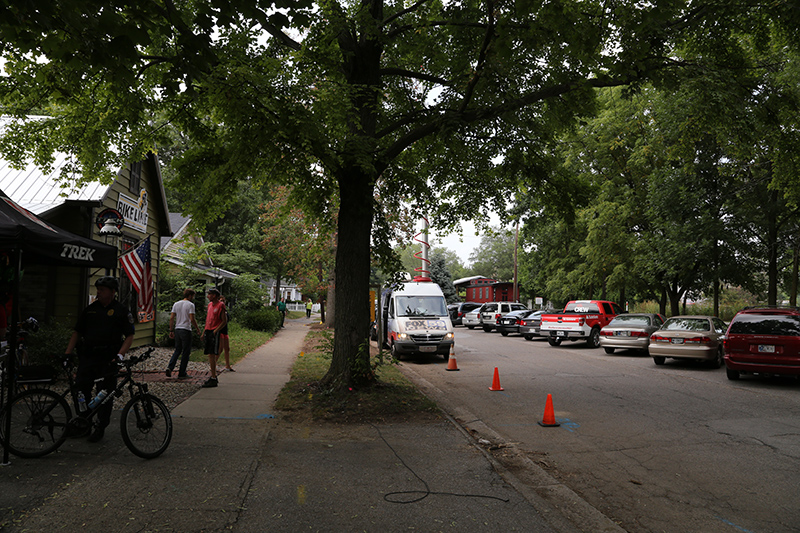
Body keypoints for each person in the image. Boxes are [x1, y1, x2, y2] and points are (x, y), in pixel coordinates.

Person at [65, 276, 135, 443]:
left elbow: (129, 335)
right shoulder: (90, 310)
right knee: (81, 391)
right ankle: (84, 422)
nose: (98, 293)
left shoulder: (121, 311)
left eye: (102, 290)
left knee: (104, 394)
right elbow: (77, 332)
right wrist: (68, 354)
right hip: (88, 357)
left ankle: (100, 426)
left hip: (108, 359)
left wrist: (120, 355)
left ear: (112, 292)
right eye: (98, 289)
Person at [166, 288, 202, 378]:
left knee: (177, 350)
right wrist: (197, 328)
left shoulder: (176, 304)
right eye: (192, 296)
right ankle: (182, 372)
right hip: (186, 329)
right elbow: (192, 319)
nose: (193, 298)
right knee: (186, 352)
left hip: (177, 329)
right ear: (190, 295)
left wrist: (171, 330)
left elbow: (171, 318)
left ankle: (170, 367)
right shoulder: (190, 305)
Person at [202, 288, 227, 388]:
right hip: (208, 331)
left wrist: (215, 331)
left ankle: (213, 377)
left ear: (215, 296)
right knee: (210, 355)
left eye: (210, 294)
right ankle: (213, 376)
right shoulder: (209, 305)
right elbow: (208, 319)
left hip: (214, 332)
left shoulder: (221, 305)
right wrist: (204, 332)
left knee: (213, 353)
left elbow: (224, 321)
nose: (208, 296)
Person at [219, 295, 233, 372]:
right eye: (221, 300)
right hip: (220, 330)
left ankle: (228, 365)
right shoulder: (218, 310)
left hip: (225, 330)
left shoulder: (225, 310)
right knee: (220, 349)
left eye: (223, 301)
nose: (222, 302)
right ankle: (213, 365)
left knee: (227, 348)